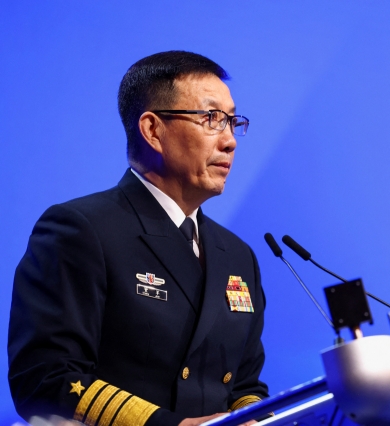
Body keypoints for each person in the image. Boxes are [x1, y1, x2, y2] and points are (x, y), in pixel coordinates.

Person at [8, 51, 269, 426]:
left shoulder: (238, 257)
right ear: (152, 130)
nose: (230, 141)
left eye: (232, 121)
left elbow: (245, 384)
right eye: (211, 118)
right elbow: (46, 377)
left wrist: (252, 418)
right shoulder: (81, 229)